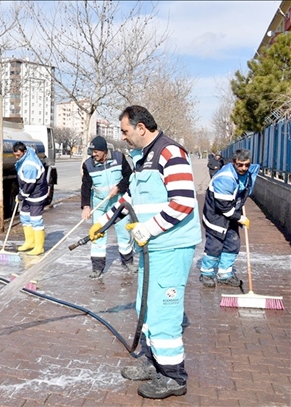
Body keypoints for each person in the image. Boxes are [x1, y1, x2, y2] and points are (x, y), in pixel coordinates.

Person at [88, 105, 201, 399]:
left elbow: (183, 202)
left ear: (141, 128)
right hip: (152, 248)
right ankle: (153, 362)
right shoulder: (141, 159)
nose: (123, 138)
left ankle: (174, 377)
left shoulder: (170, 153)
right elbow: (129, 199)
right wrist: (102, 223)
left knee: (164, 312)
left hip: (171, 247)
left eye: (125, 131)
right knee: (145, 307)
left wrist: (148, 228)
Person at [199, 149, 259, 287]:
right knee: (215, 245)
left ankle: (224, 274)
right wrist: (240, 218)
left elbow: (244, 189)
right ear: (234, 163)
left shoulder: (248, 173)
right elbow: (223, 207)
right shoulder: (225, 179)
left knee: (233, 244)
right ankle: (207, 273)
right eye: (240, 165)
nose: (244, 168)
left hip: (232, 212)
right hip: (216, 215)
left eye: (247, 165)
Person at [81, 135, 135, 278]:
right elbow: (85, 186)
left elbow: (129, 177)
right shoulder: (88, 165)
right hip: (99, 205)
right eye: (92, 152)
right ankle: (97, 267)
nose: (94, 155)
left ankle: (128, 262)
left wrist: (118, 187)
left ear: (104, 150)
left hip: (119, 203)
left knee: (124, 233)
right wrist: (86, 206)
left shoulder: (119, 158)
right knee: (97, 234)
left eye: (96, 152)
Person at [13, 141, 48, 256]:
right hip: (29, 194)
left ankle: (39, 247)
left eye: (19, 155)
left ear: (24, 152)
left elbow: (29, 185)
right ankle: (30, 242)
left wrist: (21, 196)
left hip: (37, 194)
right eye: (15, 155)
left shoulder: (29, 165)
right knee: (24, 216)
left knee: (36, 220)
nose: (17, 157)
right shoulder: (26, 156)